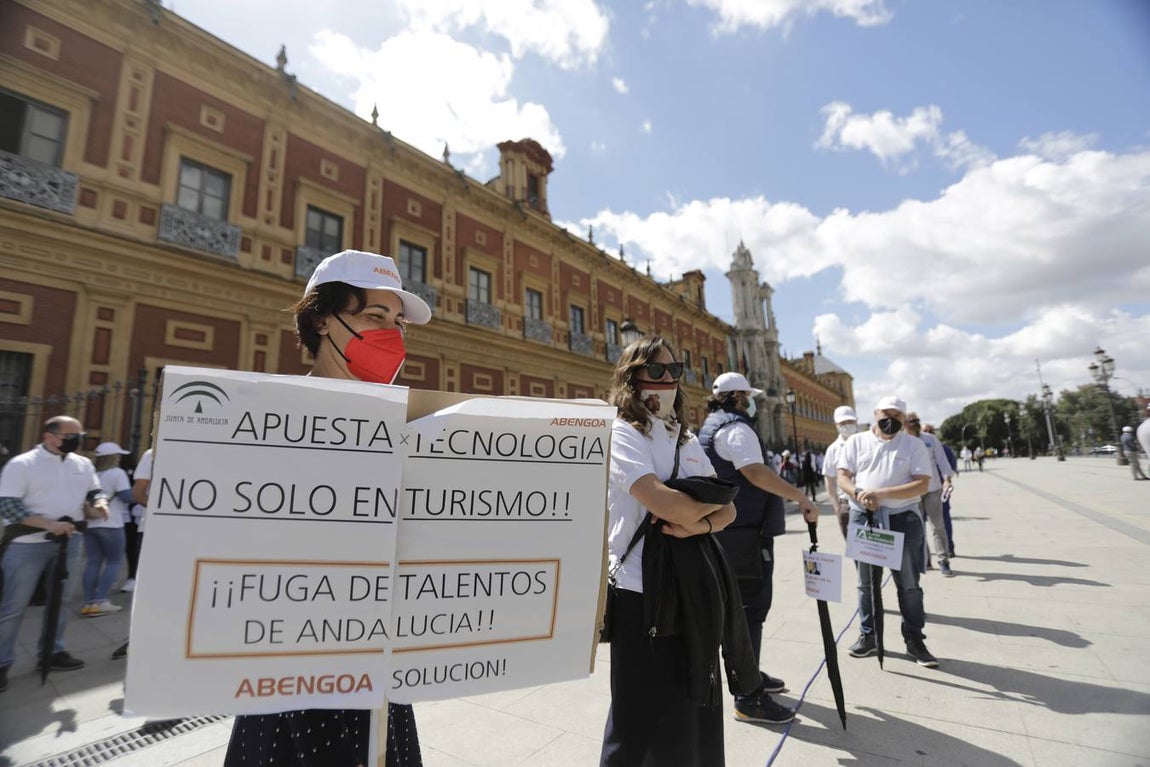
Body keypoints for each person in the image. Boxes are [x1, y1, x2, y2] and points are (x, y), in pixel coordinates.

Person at [224, 250, 430, 767]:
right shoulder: (266, 419)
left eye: (397, 322)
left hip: (380, 657)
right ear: (321, 319)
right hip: (293, 663)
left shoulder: (409, 426)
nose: (391, 335)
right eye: (373, 317)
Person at [600, 336, 756, 766]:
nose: (667, 379)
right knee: (639, 714)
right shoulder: (623, 433)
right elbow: (662, 503)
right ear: (631, 377)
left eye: (675, 370)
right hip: (640, 591)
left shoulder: (685, 438)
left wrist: (697, 524)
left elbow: (729, 510)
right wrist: (696, 510)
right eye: (656, 370)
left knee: (694, 701)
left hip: (693, 584)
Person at [698, 372, 820, 725]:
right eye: (748, 396)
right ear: (737, 397)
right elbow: (754, 471)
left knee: (743, 608)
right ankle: (748, 696)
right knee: (750, 608)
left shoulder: (713, 424)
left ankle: (751, 675)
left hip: (733, 531)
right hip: (744, 534)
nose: (751, 401)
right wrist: (800, 496)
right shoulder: (737, 429)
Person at [0, 416, 109, 693]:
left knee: (60, 602)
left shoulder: (82, 464)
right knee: (14, 604)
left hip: (69, 540)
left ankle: (53, 651)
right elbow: (8, 505)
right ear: (49, 436)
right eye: (69, 435)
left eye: (78, 435)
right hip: (28, 543)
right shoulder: (22, 464)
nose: (75, 440)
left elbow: (95, 490)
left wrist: (100, 503)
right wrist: (48, 524)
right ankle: (2, 662)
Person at [837, 397, 938, 667]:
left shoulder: (913, 444)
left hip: (902, 518)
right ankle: (868, 636)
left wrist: (878, 494)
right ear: (875, 413)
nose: (890, 419)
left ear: (904, 419)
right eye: (886, 413)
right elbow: (843, 476)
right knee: (866, 582)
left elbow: (921, 485)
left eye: (897, 414)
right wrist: (858, 493)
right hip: (865, 517)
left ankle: (914, 639)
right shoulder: (856, 442)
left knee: (908, 584)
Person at [81, 442, 134, 616]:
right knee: (114, 561)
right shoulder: (117, 473)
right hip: (111, 522)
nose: (119, 458)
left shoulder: (92, 473)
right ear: (113, 457)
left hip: (90, 523)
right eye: (118, 455)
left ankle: (88, 602)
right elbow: (127, 497)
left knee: (93, 562)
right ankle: (100, 601)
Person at [904, 413, 955, 576]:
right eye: (911, 422)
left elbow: (942, 461)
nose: (915, 424)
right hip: (913, 491)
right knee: (918, 527)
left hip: (933, 488)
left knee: (938, 526)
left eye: (917, 421)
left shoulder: (930, 439)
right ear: (905, 424)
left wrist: (947, 480)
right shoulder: (902, 442)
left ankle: (943, 560)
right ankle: (924, 559)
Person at [822, 405, 859, 538]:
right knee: (855, 550)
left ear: (856, 421)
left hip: (872, 503)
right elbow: (830, 482)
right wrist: (837, 509)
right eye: (843, 423)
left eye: (850, 421)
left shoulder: (868, 442)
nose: (847, 425)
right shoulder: (833, 450)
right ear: (836, 425)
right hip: (846, 505)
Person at [923, 424, 958, 557]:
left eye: (931, 431)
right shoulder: (917, 447)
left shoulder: (944, 449)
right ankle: (925, 556)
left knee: (942, 521)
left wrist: (947, 481)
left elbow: (951, 467)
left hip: (940, 490)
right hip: (920, 492)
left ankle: (948, 548)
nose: (928, 433)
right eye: (925, 431)